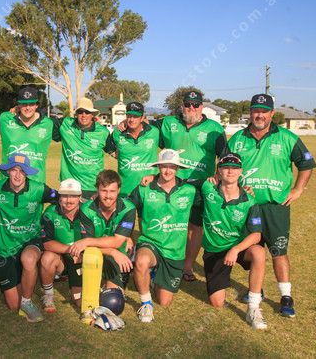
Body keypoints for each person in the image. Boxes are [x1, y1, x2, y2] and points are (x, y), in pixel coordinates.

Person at [228, 93, 316, 318]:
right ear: (250, 112)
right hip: (247, 207)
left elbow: (306, 163)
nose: (259, 115)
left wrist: (298, 190)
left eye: (264, 111)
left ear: (272, 113)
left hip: (276, 206)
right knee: (250, 251)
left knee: (278, 251)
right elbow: (226, 168)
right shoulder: (237, 139)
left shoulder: (287, 137)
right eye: (256, 111)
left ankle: (286, 296)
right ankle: (257, 290)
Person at [151, 90, 227, 283]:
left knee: (195, 227)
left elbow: (225, 156)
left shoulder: (214, 128)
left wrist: (219, 175)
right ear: (182, 105)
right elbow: (145, 134)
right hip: (172, 183)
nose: (191, 108)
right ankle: (163, 263)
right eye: (187, 104)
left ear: (202, 107)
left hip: (200, 186)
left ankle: (187, 266)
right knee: (168, 224)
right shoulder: (168, 123)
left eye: (195, 104)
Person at [193, 153, 268, 329]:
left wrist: (235, 250)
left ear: (241, 171)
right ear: (219, 170)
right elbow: (177, 182)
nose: (230, 171)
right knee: (217, 303)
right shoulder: (207, 186)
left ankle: (253, 308)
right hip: (214, 250)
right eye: (226, 167)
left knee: (258, 252)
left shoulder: (249, 200)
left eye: (235, 168)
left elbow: (256, 235)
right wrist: (153, 177)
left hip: (237, 247)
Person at [128, 149, 200, 323]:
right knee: (142, 261)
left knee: (164, 301)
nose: (168, 170)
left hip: (174, 251)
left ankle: (153, 276)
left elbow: (214, 197)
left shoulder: (189, 190)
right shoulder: (144, 188)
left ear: (178, 168)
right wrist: (128, 237)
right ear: (158, 167)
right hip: (151, 243)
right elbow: (126, 209)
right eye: (164, 166)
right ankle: (146, 303)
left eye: (172, 167)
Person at [0, 153, 57, 322]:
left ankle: (27, 303)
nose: (18, 175)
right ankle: (25, 281)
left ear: (27, 173)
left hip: (31, 241)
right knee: (13, 305)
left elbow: (63, 199)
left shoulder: (39, 189)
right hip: (6, 248)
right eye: (14, 170)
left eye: (22, 171)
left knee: (28, 259)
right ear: (7, 171)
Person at [68, 170, 137, 293]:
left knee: (113, 299)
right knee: (79, 298)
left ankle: (110, 281)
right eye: (104, 191)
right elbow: (87, 247)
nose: (108, 196)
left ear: (119, 190)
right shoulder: (86, 209)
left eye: (112, 191)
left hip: (118, 256)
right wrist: (112, 251)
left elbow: (117, 242)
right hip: (94, 254)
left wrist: (88, 241)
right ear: (97, 189)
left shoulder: (128, 209)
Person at [0, 86, 59, 183]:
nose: (28, 107)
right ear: (18, 104)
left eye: (31, 104)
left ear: (37, 105)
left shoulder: (48, 124)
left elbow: (71, 133)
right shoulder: (5, 119)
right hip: (8, 182)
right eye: (24, 104)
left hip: (36, 183)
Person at [53, 97, 114, 199]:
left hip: (93, 187)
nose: (84, 115)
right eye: (80, 112)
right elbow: (43, 123)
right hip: (69, 186)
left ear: (92, 114)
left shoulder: (103, 132)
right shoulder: (65, 124)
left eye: (87, 112)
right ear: (76, 114)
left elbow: (113, 152)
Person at [39, 178, 86, 312]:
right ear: (59, 196)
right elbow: (47, 243)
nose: (68, 200)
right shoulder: (50, 213)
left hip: (82, 259)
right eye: (64, 196)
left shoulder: (88, 211)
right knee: (47, 257)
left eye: (73, 196)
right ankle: (48, 294)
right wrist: (72, 250)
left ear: (80, 197)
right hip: (62, 258)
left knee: (79, 302)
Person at [107, 101, 159, 196]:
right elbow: (107, 145)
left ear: (142, 118)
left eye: (135, 117)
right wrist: (115, 154)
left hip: (149, 190)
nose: (131, 120)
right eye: (129, 116)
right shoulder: (118, 133)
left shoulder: (154, 132)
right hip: (125, 191)